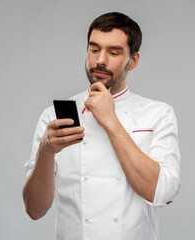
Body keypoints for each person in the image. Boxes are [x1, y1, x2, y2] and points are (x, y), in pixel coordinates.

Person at [23, 12, 181, 240]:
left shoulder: (157, 114)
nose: (100, 60)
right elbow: (34, 210)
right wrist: (46, 150)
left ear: (133, 60)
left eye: (113, 52)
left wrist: (110, 120)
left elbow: (162, 192)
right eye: (94, 49)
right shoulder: (55, 116)